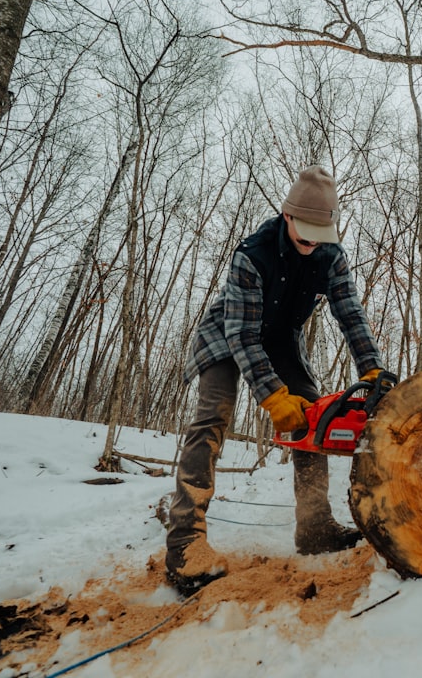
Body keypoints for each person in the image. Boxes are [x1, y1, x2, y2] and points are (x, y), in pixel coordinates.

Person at [165, 165, 385, 596]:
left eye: (318, 234)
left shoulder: (331, 255)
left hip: (283, 338)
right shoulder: (253, 253)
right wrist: (271, 396)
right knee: (213, 416)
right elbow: (243, 336)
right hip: (227, 334)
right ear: (287, 216)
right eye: (303, 231)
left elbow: (351, 315)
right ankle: (185, 542)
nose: (310, 242)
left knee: (314, 415)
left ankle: (315, 526)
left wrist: (372, 368)